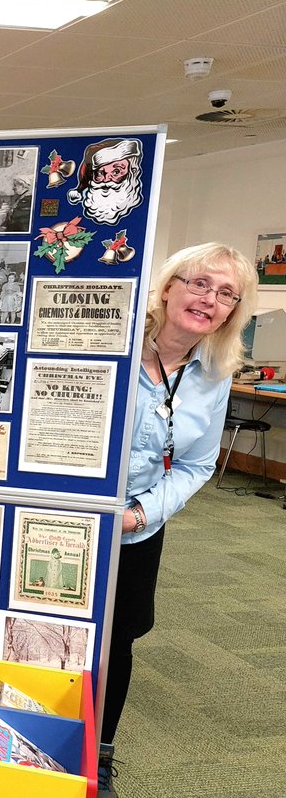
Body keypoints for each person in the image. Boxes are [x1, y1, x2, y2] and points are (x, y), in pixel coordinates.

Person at [100, 242, 257, 792]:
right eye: (198, 283)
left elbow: (197, 464)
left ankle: (100, 753)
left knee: (118, 639)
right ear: (168, 287)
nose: (208, 299)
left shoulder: (215, 374)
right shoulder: (108, 345)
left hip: (138, 527)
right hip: (68, 514)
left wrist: (139, 514)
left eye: (226, 294)